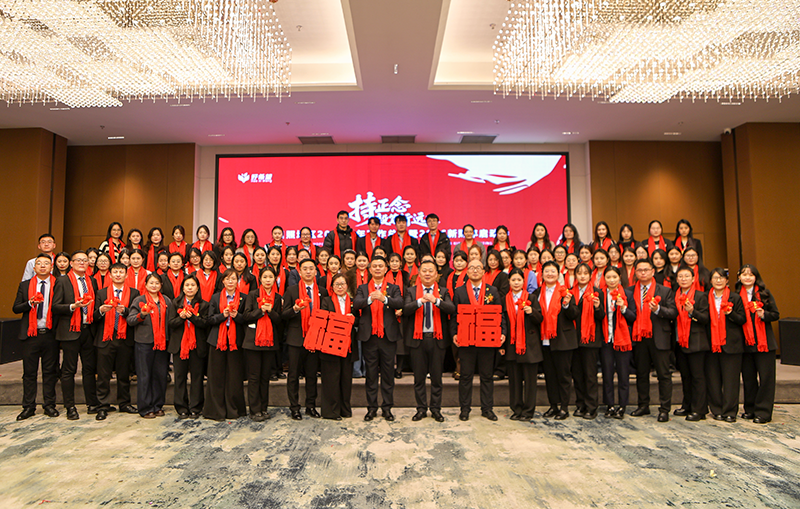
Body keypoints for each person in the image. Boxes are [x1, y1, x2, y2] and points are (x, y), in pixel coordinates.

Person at [451, 259, 506, 421]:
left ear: (483, 272)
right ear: (467, 272)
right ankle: (465, 409)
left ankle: (487, 409)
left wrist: (502, 332)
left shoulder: (492, 291)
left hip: (487, 340)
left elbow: (500, 314)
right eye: (472, 268)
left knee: (487, 376)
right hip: (466, 340)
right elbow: (454, 316)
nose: (475, 271)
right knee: (465, 377)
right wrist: (454, 333)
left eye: (478, 268)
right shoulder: (460, 292)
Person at [402, 260, 456, 422]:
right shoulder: (411, 291)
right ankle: (421, 409)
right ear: (419, 274)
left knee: (436, 378)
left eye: (430, 271)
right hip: (417, 340)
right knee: (419, 378)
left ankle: (436, 409)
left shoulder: (443, 291)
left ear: (436, 275)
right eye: (424, 270)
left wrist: (436, 300)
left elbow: (452, 309)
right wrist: (420, 301)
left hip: (437, 340)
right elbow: (405, 309)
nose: (427, 273)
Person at [626, 259, 677, 422]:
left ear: (653, 271)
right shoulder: (630, 291)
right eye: (639, 270)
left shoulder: (665, 291)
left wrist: (658, 309)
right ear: (635, 273)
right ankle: (643, 405)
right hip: (639, 338)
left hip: (659, 337)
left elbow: (673, 312)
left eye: (646, 270)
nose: (643, 273)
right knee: (641, 374)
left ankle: (664, 409)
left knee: (663, 375)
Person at [353, 256, 404, 421]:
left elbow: (400, 302)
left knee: (388, 375)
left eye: (380, 266)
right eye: (374, 266)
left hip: (387, 337)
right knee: (371, 375)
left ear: (386, 269)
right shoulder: (362, 288)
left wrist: (384, 299)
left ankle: (387, 408)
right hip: (370, 337)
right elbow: (357, 303)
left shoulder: (393, 287)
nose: (377, 268)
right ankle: (372, 408)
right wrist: (370, 299)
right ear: (369, 269)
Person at [52, 250, 101, 420]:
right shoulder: (62, 281)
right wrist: (73, 306)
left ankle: (92, 404)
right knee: (69, 370)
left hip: (88, 330)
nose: (82, 263)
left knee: (89, 369)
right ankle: (70, 406)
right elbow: (55, 306)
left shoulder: (92, 281)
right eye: (78, 260)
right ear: (71, 263)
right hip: (70, 331)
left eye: (85, 260)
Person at [13, 254, 60, 420]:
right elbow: (15, 308)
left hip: (50, 334)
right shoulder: (25, 285)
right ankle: (28, 406)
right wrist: (29, 303)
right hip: (30, 335)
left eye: (46, 263)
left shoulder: (57, 284)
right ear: (34, 268)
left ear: (51, 267)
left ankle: (49, 405)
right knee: (29, 373)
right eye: (39, 263)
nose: (42, 266)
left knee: (50, 372)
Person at [282, 259, 328, 420]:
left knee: (311, 374)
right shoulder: (291, 290)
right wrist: (295, 309)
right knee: (293, 375)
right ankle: (294, 407)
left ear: (316, 272)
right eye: (305, 269)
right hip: (296, 339)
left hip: (315, 338)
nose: (308, 272)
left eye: (311, 269)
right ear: (299, 272)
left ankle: (311, 406)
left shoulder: (322, 291)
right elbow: (283, 314)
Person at [93, 262, 139, 420]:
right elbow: (93, 316)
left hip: (124, 338)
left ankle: (124, 403)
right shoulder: (101, 293)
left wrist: (125, 311)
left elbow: (135, 315)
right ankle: (102, 405)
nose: (118, 275)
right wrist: (101, 310)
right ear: (110, 275)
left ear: (126, 275)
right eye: (115, 272)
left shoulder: (134, 293)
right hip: (105, 338)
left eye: (121, 272)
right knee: (103, 375)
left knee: (123, 374)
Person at [736, 264, 780, 424]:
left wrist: (764, 314)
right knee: (748, 378)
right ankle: (750, 409)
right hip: (745, 343)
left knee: (766, 379)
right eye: (744, 274)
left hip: (764, 343)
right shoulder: (735, 296)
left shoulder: (765, 294)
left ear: (756, 277)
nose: (747, 277)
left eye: (751, 275)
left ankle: (763, 412)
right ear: (739, 277)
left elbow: (775, 314)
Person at [535, 261, 578, 419]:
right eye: (547, 271)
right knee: (550, 376)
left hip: (563, 340)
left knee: (563, 376)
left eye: (553, 271)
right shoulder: (537, 293)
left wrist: (566, 305)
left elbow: (574, 314)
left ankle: (564, 408)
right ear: (542, 274)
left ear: (558, 274)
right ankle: (553, 406)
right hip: (544, 340)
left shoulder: (565, 292)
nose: (550, 274)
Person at [127, 273, 173, 418]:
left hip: (162, 343)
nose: (154, 285)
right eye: (151, 283)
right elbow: (130, 320)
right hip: (144, 343)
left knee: (160, 375)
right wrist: (142, 315)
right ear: (146, 285)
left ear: (161, 285)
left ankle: (158, 405)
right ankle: (145, 408)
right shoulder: (139, 300)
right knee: (145, 375)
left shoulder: (166, 300)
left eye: (157, 283)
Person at [204, 269, 247, 421]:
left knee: (234, 377)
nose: (230, 282)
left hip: (235, 341)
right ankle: (216, 411)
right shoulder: (215, 297)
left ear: (238, 281)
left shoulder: (244, 298)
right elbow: (209, 319)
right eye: (227, 279)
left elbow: (247, 319)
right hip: (217, 340)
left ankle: (234, 410)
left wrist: (237, 316)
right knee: (216, 376)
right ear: (222, 281)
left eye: (233, 279)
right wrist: (223, 315)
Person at [242, 266, 283, 421]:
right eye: (265, 277)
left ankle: (264, 408)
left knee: (265, 377)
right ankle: (254, 410)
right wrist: (261, 310)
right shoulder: (252, 295)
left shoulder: (277, 297)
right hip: (253, 341)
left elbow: (279, 320)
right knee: (254, 377)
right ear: (260, 279)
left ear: (275, 279)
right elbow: (246, 316)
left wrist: (271, 311)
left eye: (270, 277)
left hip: (270, 341)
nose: (267, 280)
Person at [706, 268, 746, 423]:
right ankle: (716, 410)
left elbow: (742, 319)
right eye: (715, 278)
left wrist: (731, 314)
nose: (718, 281)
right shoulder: (705, 297)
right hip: (711, 344)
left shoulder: (735, 298)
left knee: (731, 380)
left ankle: (730, 411)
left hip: (731, 344)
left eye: (722, 278)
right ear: (710, 280)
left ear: (727, 281)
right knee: (713, 379)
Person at [502, 267, 543, 420]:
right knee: (514, 380)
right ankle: (516, 409)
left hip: (529, 345)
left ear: (524, 282)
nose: (516, 283)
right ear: (509, 281)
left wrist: (531, 312)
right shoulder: (504, 299)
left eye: (519, 280)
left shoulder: (531, 298)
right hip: (512, 345)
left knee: (530, 382)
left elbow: (540, 319)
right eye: (513, 280)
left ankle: (528, 411)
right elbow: (502, 322)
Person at [167, 274, 209, 419]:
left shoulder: (204, 305)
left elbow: (205, 323)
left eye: (192, 285)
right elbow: (171, 323)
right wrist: (181, 318)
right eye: (187, 285)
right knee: (180, 377)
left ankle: (196, 407)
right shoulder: (175, 303)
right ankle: (181, 407)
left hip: (197, 346)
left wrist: (192, 317)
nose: (190, 288)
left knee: (197, 377)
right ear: (183, 288)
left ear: (197, 288)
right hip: (180, 346)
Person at [673, 265, 710, 421]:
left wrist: (692, 312)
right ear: (677, 279)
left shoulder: (701, 296)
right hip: (679, 341)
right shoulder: (674, 295)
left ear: (693, 278)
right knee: (685, 376)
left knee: (697, 377)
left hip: (696, 342)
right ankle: (687, 405)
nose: (683, 279)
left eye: (687, 276)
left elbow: (706, 318)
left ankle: (699, 409)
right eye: (680, 276)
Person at [319, 272, 358, 420]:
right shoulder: (326, 301)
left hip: (348, 345)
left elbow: (360, 321)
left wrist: (353, 319)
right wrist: (341, 320)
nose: (340, 287)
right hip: (330, 345)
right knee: (331, 380)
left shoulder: (353, 302)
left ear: (347, 286)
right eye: (337, 284)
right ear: (332, 287)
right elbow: (323, 320)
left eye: (342, 284)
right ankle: (331, 412)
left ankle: (345, 409)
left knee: (346, 379)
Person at [598, 266, 635, 419]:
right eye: (608, 277)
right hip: (606, 340)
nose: (612, 280)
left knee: (623, 375)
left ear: (619, 278)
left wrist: (624, 308)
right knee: (607, 375)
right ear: (604, 279)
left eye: (614, 277)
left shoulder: (627, 294)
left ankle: (622, 406)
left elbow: (633, 317)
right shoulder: (600, 294)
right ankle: (610, 405)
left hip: (622, 340)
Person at [570, 263, 604, 419]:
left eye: (585, 273)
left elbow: (601, 316)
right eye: (579, 273)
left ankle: (591, 407)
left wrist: (597, 307)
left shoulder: (597, 292)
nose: (582, 276)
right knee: (577, 374)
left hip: (590, 339)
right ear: (575, 275)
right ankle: (580, 405)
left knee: (590, 375)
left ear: (590, 275)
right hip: (574, 339)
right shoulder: (570, 293)